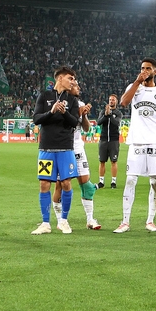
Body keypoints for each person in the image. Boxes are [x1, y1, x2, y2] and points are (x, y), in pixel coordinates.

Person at [113, 58, 156, 233]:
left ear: (155, 71)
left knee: (155, 181)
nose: (144, 71)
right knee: (131, 179)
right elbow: (123, 103)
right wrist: (137, 81)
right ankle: (125, 221)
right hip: (136, 141)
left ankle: (150, 221)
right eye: (142, 68)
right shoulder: (134, 88)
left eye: (148, 68)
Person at [30, 66, 81, 235]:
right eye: (70, 78)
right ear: (60, 79)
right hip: (46, 147)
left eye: (73, 79)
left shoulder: (72, 100)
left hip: (65, 147)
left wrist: (64, 112)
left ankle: (64, 221)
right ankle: (45, 223)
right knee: (44, 184)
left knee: (66, 183)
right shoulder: (44, 96)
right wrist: (51, 112)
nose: (72, 81)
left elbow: (74, 122)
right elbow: (36, 119)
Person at [51, 87, 101, 230]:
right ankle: (60, 220)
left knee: (86, 185)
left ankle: (90, 219)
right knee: (60, 184)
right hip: (64, 148)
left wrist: (84, 115)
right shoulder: (59, 103)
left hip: (79, 149)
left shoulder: (80, 104)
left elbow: (86, 129)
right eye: (74, 84)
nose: (78, 87)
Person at [96, 94, 121, 189]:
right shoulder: (103, 112)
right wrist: (106, 115)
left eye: (113, 100)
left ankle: (113, 182)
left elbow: (116, 123)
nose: (111, 101)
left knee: (113, 161)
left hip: (114, 140)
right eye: (110, 99)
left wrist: (110, 115)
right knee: (102, 161)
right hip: (103, 139)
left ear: (116, 102)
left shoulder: (118, 113)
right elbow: (99, 122)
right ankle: (101, 181)